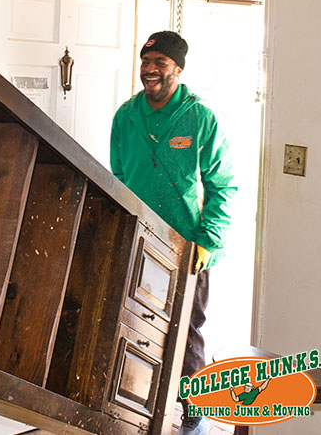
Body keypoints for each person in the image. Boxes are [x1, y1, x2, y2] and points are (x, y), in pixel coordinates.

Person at [110, 31, 236, 435]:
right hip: (139, 242)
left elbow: (223, 186)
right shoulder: (126, 116)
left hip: (187, 248)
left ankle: (193, 418)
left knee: (186, 335)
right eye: (145, 62)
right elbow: (118, 177)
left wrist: (208, 242)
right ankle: (135, 412)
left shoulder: (200, 119)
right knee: (134, 327)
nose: (149, 70)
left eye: (160, 63)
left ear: (178, 69)